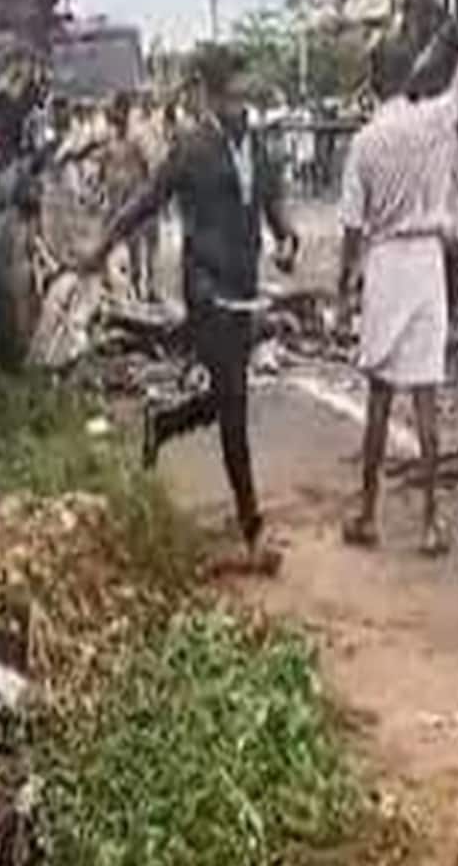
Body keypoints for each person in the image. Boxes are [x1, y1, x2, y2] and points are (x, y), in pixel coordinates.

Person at [80, 47, 297, 568]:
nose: (240, 105)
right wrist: (102, 247)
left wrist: (288, 238)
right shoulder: (192, 147)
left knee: (227, 397)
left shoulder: (259, 146)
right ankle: (253, 530)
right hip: (207, 292)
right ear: (212, 95)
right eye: (232, 94)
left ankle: (164, 424)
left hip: (244, 291)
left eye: (246, 95)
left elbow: (272, 205)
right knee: (235, 408)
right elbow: (146, 202)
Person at [337, 43, 458, 557]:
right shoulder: (435, 122)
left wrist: (343, 290)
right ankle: (431, 522)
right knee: (425, 397)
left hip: (386, 265)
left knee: (379, 396)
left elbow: (352, 229)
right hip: (426, 265)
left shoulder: (365, 142)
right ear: (409, 79)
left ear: (373, 83)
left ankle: (368, 513)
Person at [92, 93, 154, 299]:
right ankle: (106, 281)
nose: (115, 117)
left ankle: (142, 285)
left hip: (132, 198)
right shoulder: (110, 138)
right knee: (106, 237)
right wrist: (99, 185)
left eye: (119, 112)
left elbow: (148, 167)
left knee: (136, 244)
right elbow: (102, 165)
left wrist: (146, 194)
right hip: (114, 198)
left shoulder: (137, 138)